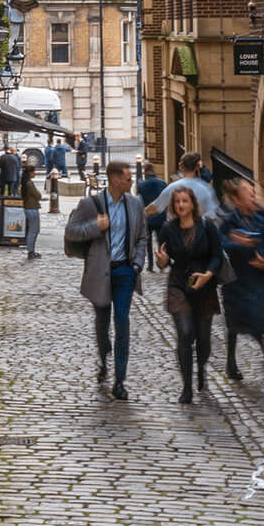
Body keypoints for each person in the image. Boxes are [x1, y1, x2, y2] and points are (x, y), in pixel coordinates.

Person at [65, 159, 149, 400]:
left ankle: (120, 381)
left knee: (122, 321)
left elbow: (142, 236)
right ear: (115, 180)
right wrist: (96, 226)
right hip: (100, 272)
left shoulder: (135, 203)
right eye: (128, 178)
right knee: (102, 322)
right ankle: (104, 359)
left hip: (125, 272)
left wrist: (137, 264)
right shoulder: (90, 204)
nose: (132, 181)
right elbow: (71, 231)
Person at [156, 182, 229, 404]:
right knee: (185, 333)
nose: (181, 205)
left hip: (204, 286)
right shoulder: (168, 229)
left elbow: (217, 255)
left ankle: (202, 368)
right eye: (177, 202)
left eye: (184, 201)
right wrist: (162, 262)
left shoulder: (207, 226)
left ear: (192, 204)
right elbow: (163, 259)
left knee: (203, 340)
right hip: (179, 285)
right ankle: (187, 386)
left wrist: (208, 274)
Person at [220, 174, 264, 389]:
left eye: (253, 192)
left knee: (261, 324)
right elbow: (220, 244)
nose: (253, 196)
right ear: (237, 200)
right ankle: (231, 362)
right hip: (236, 279)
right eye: (248, 193)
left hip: (257, 279)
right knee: (234, 323)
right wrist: (237, 243)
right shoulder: (230, 221)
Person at [146, 151, 220, 222]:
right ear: (197, 166)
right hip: (199, 229)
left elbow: (155, 207)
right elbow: (212, 216)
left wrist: (141, 213)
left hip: (175, 229)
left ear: (181, 165)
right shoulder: (206, 189)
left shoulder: (173, 187)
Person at [136, 158, 168, 270]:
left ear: (145, 172)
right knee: (161, 241)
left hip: (147, 217)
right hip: (160, 216)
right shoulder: (162, 183)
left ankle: (150, 264)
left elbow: (139, 202)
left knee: (148, 242)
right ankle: (162, 262)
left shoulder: (141, 185)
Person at [19, 160, 42, 259]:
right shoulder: (29, 183)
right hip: (32, 208)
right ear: (30, 173)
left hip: (29, 208)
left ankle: (31, 250)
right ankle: (31, 251)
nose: (35, 173)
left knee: (33, 230)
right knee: (33, 230)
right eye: (33, 172)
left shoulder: (25, 183)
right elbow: (38, 195)